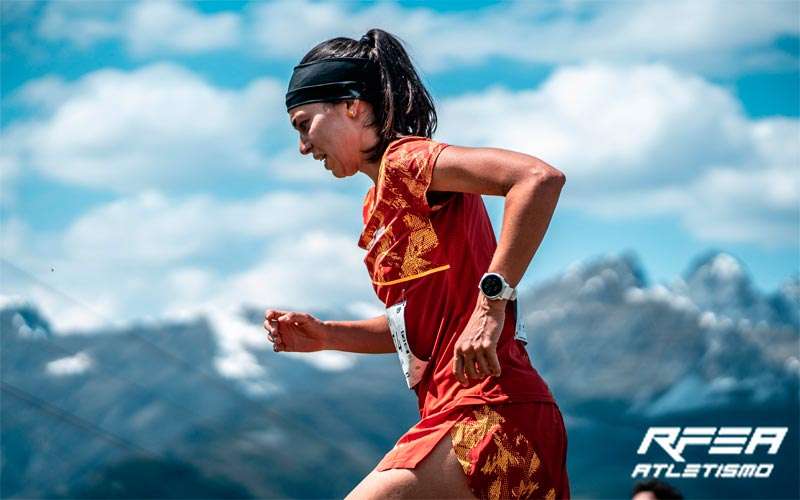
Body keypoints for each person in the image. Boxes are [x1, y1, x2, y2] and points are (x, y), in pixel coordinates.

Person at [265, 28, 569, 499]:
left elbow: (536, 179)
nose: (303, 146)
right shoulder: (376, 203)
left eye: (304, 124)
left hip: (491, 410)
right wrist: (327, 336)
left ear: (353, 106)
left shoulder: (408, 160)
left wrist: (491, 306)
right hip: (466, 411)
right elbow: (424, 326)